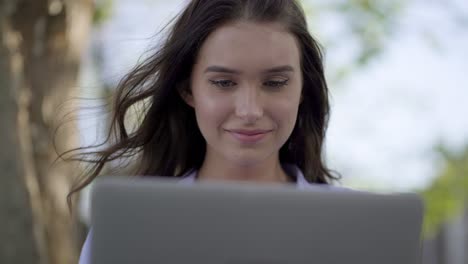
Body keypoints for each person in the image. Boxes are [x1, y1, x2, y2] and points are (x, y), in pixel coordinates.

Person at [69, 0, 343, 263]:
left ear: (303, 89)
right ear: (188, 89)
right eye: (224, 82)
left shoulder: (355, 226)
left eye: (275, 82)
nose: (250, 111)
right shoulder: (128, 229)